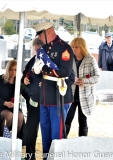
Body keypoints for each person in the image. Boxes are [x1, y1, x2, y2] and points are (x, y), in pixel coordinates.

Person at [32, 22, 74, 159]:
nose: (39, 38)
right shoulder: (43, 48)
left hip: (58, 96)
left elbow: (65, 71)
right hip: (45, 96)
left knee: (57, 133)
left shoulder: (64, 48)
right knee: (45, 131)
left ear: (48, 32)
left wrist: (44, 69)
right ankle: (46, 157)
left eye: (40, 34)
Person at [65, 37, 100, 137]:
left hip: (85, 95)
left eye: (76, 47)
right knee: (67, 119)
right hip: (70, 94)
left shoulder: (90, 59)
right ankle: (61, 141)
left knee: (83, 120)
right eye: (72, 47)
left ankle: (83, 143)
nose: (74, 49)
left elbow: (97, 77)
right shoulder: (69, 59)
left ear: (82, 48)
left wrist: (84, 81)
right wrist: (72, 80)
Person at [0, 60, 24, 138]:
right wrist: (6, 103)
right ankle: (4, 138)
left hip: (12, 106)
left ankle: (14, 139)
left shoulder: (18, 82)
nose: (13, 72)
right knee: (9, 116)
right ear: (7, 69)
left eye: (16, 70)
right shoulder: (0, 80)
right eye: (11, 69)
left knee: (20, 117)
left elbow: (23, 93)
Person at [21, 38, 44, 160]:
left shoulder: (50, 61)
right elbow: (24, 76)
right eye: (35, 50)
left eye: (39, 49)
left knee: (46, 130)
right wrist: (24, 80)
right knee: (30, 129)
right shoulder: (32, 61)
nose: (37, 52)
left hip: (47, 101)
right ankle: (30, 156)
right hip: (33, 100)